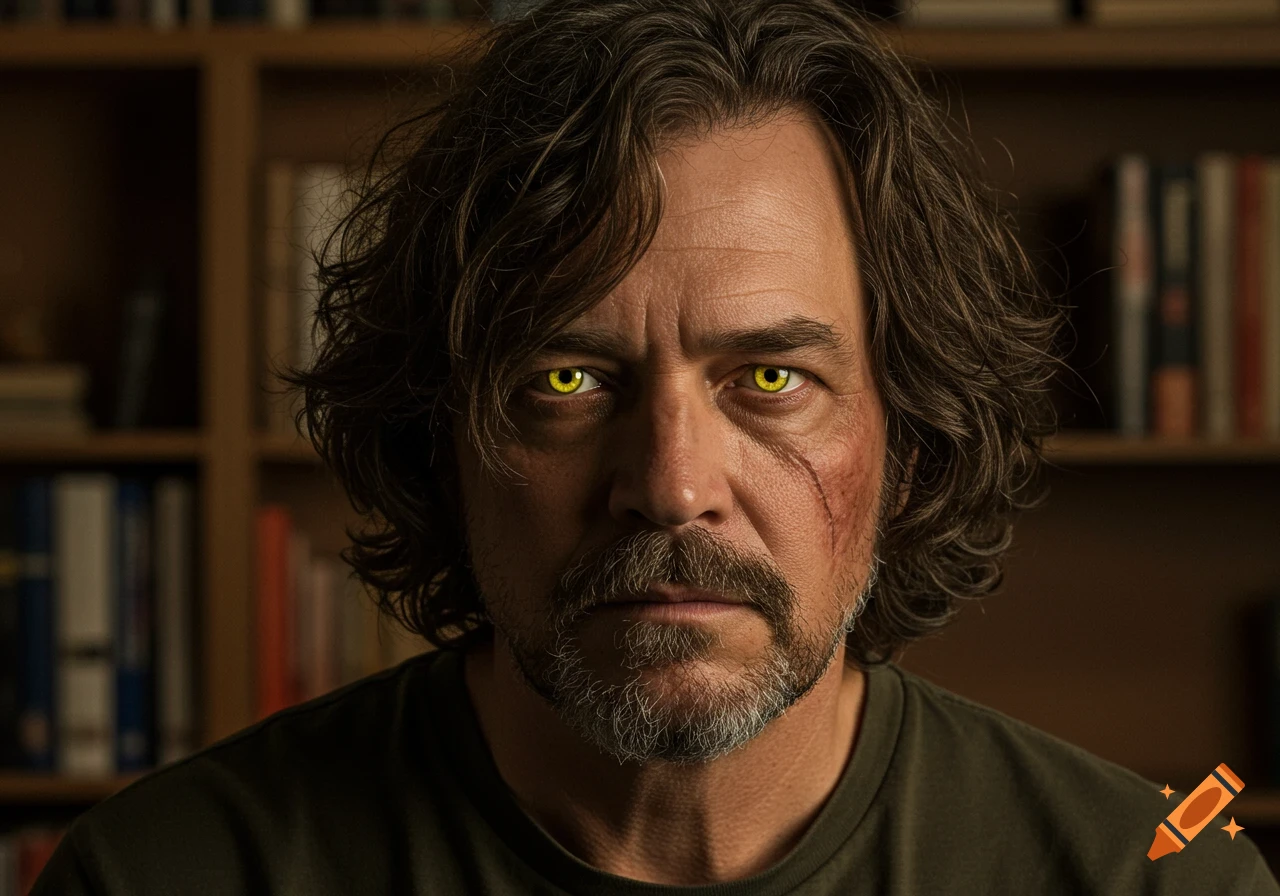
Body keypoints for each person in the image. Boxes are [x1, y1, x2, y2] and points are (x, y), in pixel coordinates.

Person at [33, 0, 1280, 892]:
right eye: (567, 380)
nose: (672, 485)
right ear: (437, 441)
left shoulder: (1153, 873)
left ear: (908, 438)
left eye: (771, 378)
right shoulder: (167, 872)